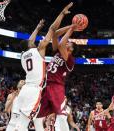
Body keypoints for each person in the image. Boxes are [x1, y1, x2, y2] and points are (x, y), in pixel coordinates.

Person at [14, 2, 74, 131]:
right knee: (23, 125)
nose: (38, 41)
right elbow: (53, 29)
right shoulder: (39, 50)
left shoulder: (23, 56)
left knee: (34, 120)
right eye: (33, 42)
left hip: (26, 90)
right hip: (34, 91)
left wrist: (37, 28)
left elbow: (29, 42)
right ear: (31, 45)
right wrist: (62, 14)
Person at [37, 19, 79, 131]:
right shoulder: (58, 53)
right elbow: (55, 34)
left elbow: (61, 44)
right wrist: (71, 25)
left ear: (71, 49)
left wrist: (71, 30)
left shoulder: (70, 60)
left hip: (56, 86)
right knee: (39, 115)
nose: (66, 42)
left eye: (69, 42)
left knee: (61, 115)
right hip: (46, 84)